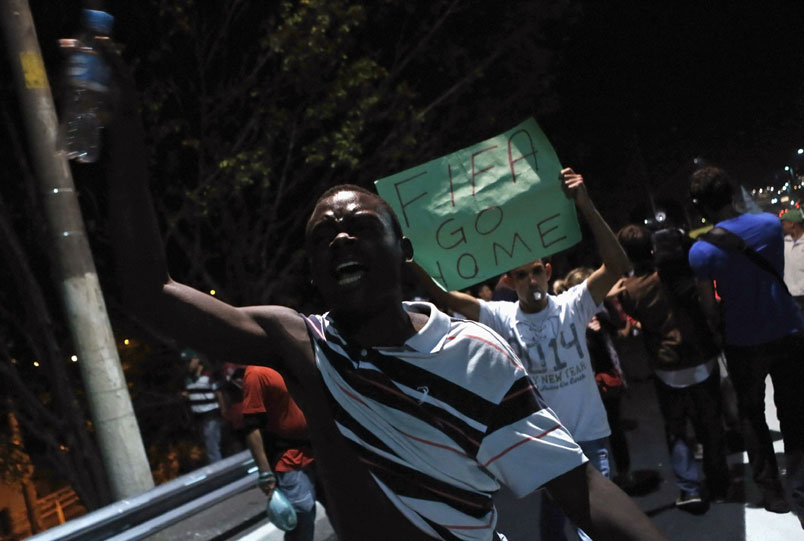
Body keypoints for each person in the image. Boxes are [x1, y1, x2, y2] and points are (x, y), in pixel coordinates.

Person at [101, 42, 665, 540]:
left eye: (361, 228)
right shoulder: (305, 347)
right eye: (323, 236)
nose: (341, 238)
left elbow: (579, 490)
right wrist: (123, 129)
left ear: (403, 253)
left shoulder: (473, 354)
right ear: (315, 272)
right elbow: (151, 294)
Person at [410, 169, 633, 541]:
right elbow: (449, 298)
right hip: (546, 444)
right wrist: (411, 258)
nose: (532, 282)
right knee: (552, 527)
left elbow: (616, 266)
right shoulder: (501, 316)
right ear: (509, 282)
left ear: (547, 272)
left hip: (590, 438)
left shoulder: (573, 305)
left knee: (594, 526)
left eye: (536, 272)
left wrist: (585, 204)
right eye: (521, 275)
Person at [688, 166, 804, 517]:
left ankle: (772, 493)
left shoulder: (701, 251)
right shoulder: (770, 224)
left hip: (743, 341)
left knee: (752, 417)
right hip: (787, 328)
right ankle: (800, 483)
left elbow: (709, 307)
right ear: (733, 194)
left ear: (700, 206)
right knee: (796, 413)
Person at [615, 224, 729, 512]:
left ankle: (689, 489)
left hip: (666, 367)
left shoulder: (631, 290)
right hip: (700, 357)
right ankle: (718, 485)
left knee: (676, 429)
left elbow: (625, 314)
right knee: (711, 424)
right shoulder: (678, 274)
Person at [562, 267, 631, 494]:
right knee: (593, 435)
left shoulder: (599, 312)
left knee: (614, 428)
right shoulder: (568, 319)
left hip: (606, 380)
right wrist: (587, 330)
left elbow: (616, 334)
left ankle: (623, 474)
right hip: (584, 385)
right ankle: (600, 484)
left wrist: (603, 320)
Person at [239, 365, 321, 541]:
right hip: (289, 458)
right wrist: (265, 472)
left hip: (321, 451)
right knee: (302, 518)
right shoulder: (256, 373)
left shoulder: (292, 359)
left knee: (343, 508)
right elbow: (252, 426)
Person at [183, 349, 223, 464]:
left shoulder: (208, 376)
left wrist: (223, 410)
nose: (187, 365)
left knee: (212, 448)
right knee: (207, 448)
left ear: (197, 360)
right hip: (198, 418)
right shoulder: (188, 379)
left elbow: (219, 393)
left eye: (189, 361)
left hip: (211, 415)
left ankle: (219, 473)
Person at [781, 208, 804, 313]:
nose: (782, 227)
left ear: (792, 224)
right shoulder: (784, 243)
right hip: (789, 295)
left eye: (784, 224)